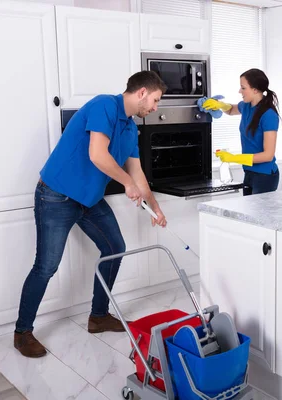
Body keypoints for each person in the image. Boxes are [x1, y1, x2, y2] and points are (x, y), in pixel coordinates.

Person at [14, 71, 168, 358]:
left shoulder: (130, 128)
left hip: (88, 200)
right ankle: (22, 332)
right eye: (156, 100)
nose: (155, 108)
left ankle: (98, 317)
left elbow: (137, 173)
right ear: (143, 92)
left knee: (114, 247)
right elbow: (98, 154)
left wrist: (154, 206)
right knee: (46, 266)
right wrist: (126, 183)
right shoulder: (104, 106)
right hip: (56, 195)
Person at [200, 68, 280, 196]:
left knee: (260, 215)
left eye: (243, 88)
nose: (239, 91)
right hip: (249, 172)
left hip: (265, 176)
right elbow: (231, 110)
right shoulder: (247, 106)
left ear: (255, 89)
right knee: (248, 215)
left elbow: (268, 155)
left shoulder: (268, 115)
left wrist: (234, 158)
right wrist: (219, 105)